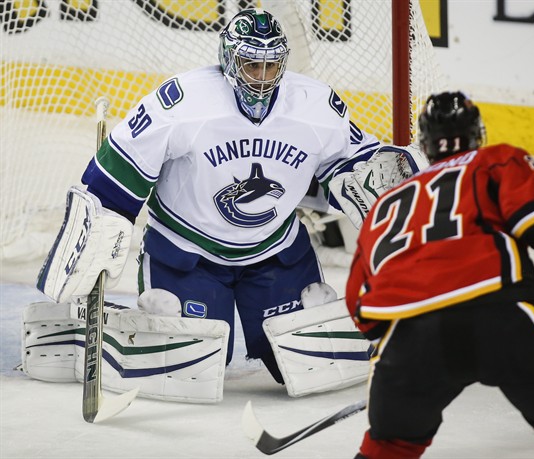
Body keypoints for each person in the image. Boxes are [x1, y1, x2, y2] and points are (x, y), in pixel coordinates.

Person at [35, 8, 426, 389]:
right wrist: (102, 222)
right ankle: (87, 334)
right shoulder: (185, 102)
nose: (262, 77)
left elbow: (358, 164)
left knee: (315, 361)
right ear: (229, 59)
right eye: (252, 65)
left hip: (275, 250)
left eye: (271, 66)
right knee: (188, 364)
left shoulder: (315, 106)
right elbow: (120, 166)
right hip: (188, 252)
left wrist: (385, 190)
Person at [345, 91, 534, 458]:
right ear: (476, 133)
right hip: (501, 319)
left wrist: (399, 353)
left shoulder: (385, 205)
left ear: (425, 144)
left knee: (387, 448)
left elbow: (358, 303)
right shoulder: (497, 160)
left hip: (411, 340)